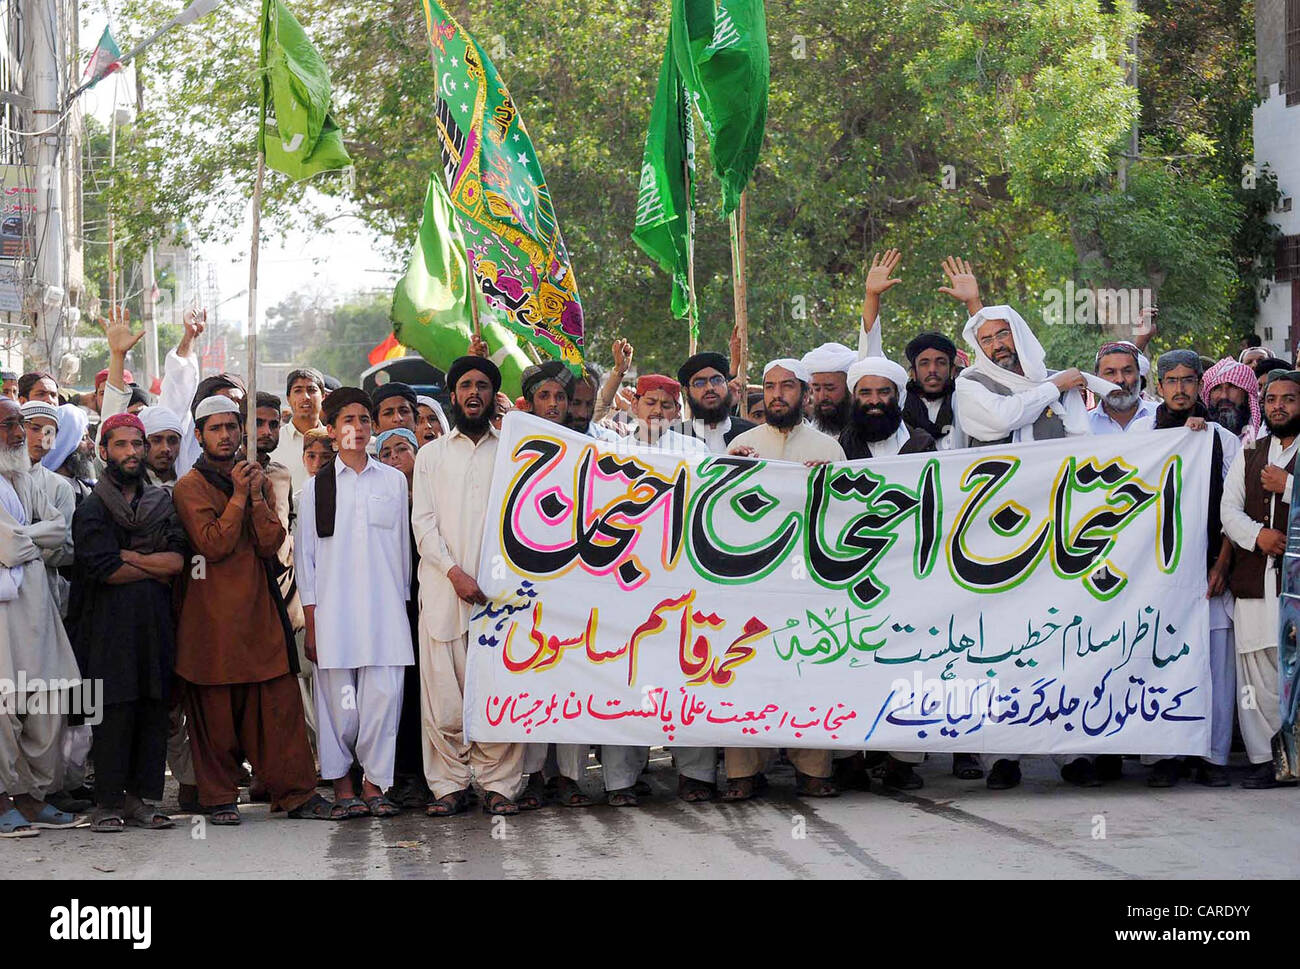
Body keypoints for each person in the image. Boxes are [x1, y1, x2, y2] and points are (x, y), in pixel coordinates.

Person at [172, 395, 331, 823]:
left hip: (259, 612)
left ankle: (296, 793)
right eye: (215, 429)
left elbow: (270, 542)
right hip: (212, 618)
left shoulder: (256, 476)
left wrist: (257, 493)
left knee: (278, 707)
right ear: (201, 435)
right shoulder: (189, 486)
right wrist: (241, 494)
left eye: (230, 427)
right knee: (215, 713)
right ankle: (220, 797)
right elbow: (213, 543)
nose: (225, 435)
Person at [721, 359, 843, 800]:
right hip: (750, 582)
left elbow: (846, 516)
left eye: (786, 387)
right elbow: (717, 516)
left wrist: (826, 485)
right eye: (769, 387)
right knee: (744, 673)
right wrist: (728, 470)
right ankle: (742, 772)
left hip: (807, 582)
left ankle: (812, 769)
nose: (776, 395)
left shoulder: (829, 450)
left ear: (805, 393)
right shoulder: (740, 445)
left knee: (807, 673)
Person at [412, 356, 525, 816]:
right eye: (464, 385)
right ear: (452, 394)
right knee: (443, 696)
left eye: (482, 384)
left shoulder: (515, 451)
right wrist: (454, 572)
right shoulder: (431, 455)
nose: (472, 392)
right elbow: (423, 523)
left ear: (493, 395)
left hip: (503, 597)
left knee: (502, 689)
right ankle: (449, 785)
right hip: (445, 589)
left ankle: (500, 785)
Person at [296, 388, 413, 819]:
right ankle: (342, 785)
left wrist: (401, 607)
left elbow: (401, 553)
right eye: (349, 421)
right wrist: (312, 619)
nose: (359, 428)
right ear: (332, 431)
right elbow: (307, 558)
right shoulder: (315, 489)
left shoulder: (393, 482)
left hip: (385, 613)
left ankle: (373, 785)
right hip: (334, 614)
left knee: (384, 701)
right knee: (340, 710)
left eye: (365, 420)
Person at [70, 413, 186, 832]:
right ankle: (108, 805)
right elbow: (104, 569)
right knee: (113, 714)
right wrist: (149, 563)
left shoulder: (162, 503)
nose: (132, 453)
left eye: (137, 444)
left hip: (154, 626)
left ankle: (144, 802)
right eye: (121, 445)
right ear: (104, 453)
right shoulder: (92, 508)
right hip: (106, 629)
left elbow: (176, 562)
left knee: (153, 709)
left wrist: (132, 556)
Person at [1130, 350, 1239, 787]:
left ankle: (1212, 758)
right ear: (1159, 386)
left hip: (1211, 567)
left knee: (1215, 666)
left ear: (1199, 385)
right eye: (1171, 381)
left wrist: (1223, 563)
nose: (1179, 389)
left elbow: (1234, 508)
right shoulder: (1141, 433)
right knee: (1158, 659)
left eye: (1188, 381)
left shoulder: (1221, 438)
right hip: (1154, 574)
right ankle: (1165, 756)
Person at [508, 362, 599, 807]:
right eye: (544, 396)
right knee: (534, 675)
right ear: (530, 400)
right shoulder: (515, 444)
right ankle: (531, 776)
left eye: (560, 398)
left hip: (581, 577)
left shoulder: (593, 446)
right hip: (528, 578)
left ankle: (570, 776)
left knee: (574, 677)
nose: (554, 405)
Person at [0, 396, 82, 837]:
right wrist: (32, 539)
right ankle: (1, 803)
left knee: (45, 704)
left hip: (38, 604)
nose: (17, 433)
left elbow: (58, 537)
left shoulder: (25, 478)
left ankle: (34, 801)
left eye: (19, 423)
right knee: (4, 710)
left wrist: (24, 540)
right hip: (3, 616)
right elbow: (16, 547)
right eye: (9, 425)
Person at [1220, 368, 1300, 789]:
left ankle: (1297, 759)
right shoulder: (1252, 452)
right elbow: (1228, 510)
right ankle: (1264, 759)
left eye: (1288, 399)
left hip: (1295, 589)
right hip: (1256, 581)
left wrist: (1290, 486)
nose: (1279, 407)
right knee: (1256, 673)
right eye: (1271, 400)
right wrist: (1258, 536)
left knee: (1296, 672)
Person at [955, 305, 1115, 448]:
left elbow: (1081, 444)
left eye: (1003, 334)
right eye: (986, 340)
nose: (997, 345)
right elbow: (1002, 419)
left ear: (1018, 334)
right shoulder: (969, 383)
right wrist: (1054, 387)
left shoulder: (1062, 382)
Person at [670, 351, 756, 450]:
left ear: (727, 384)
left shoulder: (751, 433)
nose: (709, 388)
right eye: (699, 383)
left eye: (717, 380)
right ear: (687, 391)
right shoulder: (673, 438)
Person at [902, 333, 967, 451]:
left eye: (941, 362)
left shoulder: (964, 401)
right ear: (913, 373)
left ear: (952, 370)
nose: (932, 370)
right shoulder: (900, 404)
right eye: (924, 363)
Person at [269, 367, 326, 492]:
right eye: (298, 391)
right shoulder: (274, 443)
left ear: (323, 396)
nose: (305, 397)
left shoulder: (335, 440)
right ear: (288, 398)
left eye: (311, 390)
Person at [1089, 342, 1156, 433]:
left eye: (1127, 371)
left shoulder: (1159, 416)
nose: (1120, 380)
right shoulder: (1085, 426)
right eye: (1110, 373)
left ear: (1139, 376)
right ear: (1097, 378)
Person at [1201, 358, 1263, 445]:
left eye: (1232, 387)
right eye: (1217, 388)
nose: (1224, 396)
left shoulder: (1264, 434)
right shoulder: (1199, 434)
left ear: (1247, 395)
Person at [801, 343, 857, 438]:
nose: (822, 396)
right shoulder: (809, 435)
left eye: (830, 388)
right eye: (817, 389)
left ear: (850, 388)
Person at [138, 406, 184, 489]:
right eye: (156, 440)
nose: (166, 449)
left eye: (173, 441)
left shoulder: (193, 486)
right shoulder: (129, 487)